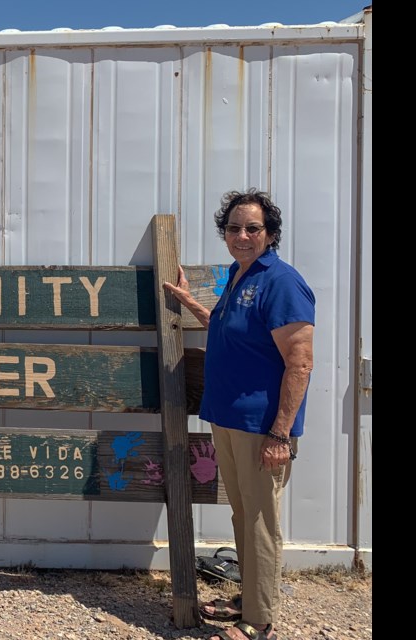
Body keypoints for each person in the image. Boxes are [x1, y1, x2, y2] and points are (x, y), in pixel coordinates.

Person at [163, 189, 315, 640]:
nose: (242, 235)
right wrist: (191, 305)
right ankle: (247, 598)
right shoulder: (239, 274)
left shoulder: (281, 282)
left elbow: (300, 362)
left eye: (253, 228)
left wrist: (281, 434)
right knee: (241, 514)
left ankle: (259, 620)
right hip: (226, 419)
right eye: (233, 227)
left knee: (259, 522)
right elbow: (231, 329)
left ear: (270, 234)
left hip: (261, 427)